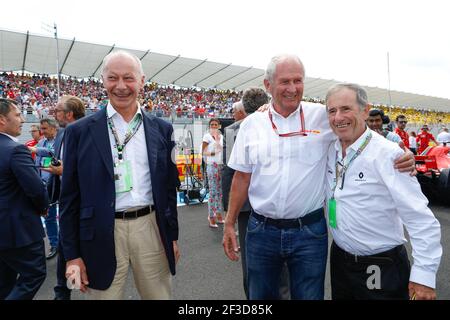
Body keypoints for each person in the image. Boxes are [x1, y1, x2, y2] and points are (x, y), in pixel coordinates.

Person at [223, 54, 415, 300]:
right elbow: (241, 177)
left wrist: (399, 151)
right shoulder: (252, 124)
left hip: (309, 232)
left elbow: (357, 128)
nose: (292, 89)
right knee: (259, 296)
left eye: (298, 80)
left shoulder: (322, 116)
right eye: (284, 82)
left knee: (309, 297)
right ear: (268, 85)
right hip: (262, 231)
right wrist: (229, 222)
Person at [59, 50, 180, 300]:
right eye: (113, 78)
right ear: (102, 80)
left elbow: (169, 189)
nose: (121, 86)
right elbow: (69, 198)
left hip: (151, 230)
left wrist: (173, 237)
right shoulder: (79, 132)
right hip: (101, 233)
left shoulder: (163, 129)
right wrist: (72, 255)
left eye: (129, 78)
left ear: (142, 81)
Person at [324, 83, 442, 300]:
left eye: (346, 108)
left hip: (380, 264)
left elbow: (420, 219)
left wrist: (424, 276)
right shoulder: (329, 147)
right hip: (341, 260)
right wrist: (266, 109)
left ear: (365, 110)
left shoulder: (389, 155)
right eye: (332, 111)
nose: (338, 117)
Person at [0, 98, 49, 299]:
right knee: (34, 274)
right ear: (2, 119)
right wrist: (43, 207)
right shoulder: (16, 149)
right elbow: (36, 189)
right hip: (19, 231)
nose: (22, 119)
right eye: (18, 115)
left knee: (4, 281)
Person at [41, 95, 85, 300]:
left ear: (68, 113)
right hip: (65, 202)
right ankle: (62, 292)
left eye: (57, 110)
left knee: (81, 246)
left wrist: (64, 172)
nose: (53, 113)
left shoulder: (88, 133)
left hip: (86, 202)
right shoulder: (60, 135)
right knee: (66, 245)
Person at [28, 118, 59, 260]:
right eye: (41, 129)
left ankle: (67, 244)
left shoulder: (60, 140)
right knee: (49, 217)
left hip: (59, 185)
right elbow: (37, 163)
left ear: (53, 128)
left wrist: (36, 149)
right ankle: (54, 244)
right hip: (45, 186)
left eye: (44, 128)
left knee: (65, 217)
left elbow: (52, 152)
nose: (42, 131)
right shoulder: (41, 142)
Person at [202, 118, 224, 228]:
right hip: (212, 166)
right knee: (213, 192)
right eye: (212, 124)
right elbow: (204, 152)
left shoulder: (222, 137)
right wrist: (214, 152)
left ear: (219, 126)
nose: (214, 126)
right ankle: (211, 217)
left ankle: (219, 215)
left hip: (221, 166)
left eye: (216, 124)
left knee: (220, 193)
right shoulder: (207, 136)